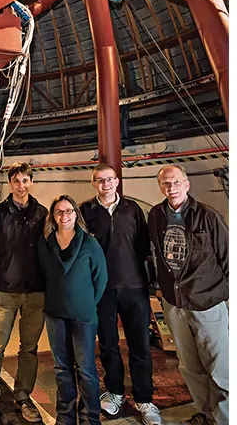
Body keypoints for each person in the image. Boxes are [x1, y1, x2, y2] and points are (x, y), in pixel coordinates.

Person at [147, 166, 229, 425]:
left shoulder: (207, 215)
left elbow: (227, 257)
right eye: (165, 184)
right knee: (189, 365)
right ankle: (205, 414)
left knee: (219, 368)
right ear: (160, 187)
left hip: (206, 301)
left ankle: (226, 418)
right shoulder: (156, 215)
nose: (171, 188)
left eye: (175, 182)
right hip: (174, 303)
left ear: (186, 184)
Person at [80, 165, 162, 424]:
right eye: (100, 180)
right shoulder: (85, 211)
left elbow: (142, 246)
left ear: (117, 181)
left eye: (110, 179)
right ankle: (115, 392)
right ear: (94, 183)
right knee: (108, 345)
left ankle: (144, 399)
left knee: (140, 345)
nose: (105, 183)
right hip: (101, 290)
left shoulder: (133, 209)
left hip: (134, 287)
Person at [0, 162, 47, 423]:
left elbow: (48, 252)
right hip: (5, 290)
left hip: (36, 292)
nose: (21, 185)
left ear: (31, 182)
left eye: (25, 180)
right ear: (10, 183)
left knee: (29, 349)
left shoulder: (42, 213)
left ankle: (23, 396)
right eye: (16, 181)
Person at [36, 195, 108, 425]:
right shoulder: (46, 243)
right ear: (53, 216)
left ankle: (90, 418)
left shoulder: (89, 243)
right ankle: (65, 417)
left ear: (76, 214)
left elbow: (101, 278)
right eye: (58, 212)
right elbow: (45, 274)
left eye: (68, 211)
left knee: (86, 369)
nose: (64, 216)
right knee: (62, 368)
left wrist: (86, 301)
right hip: (55, 313)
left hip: (83, 316)